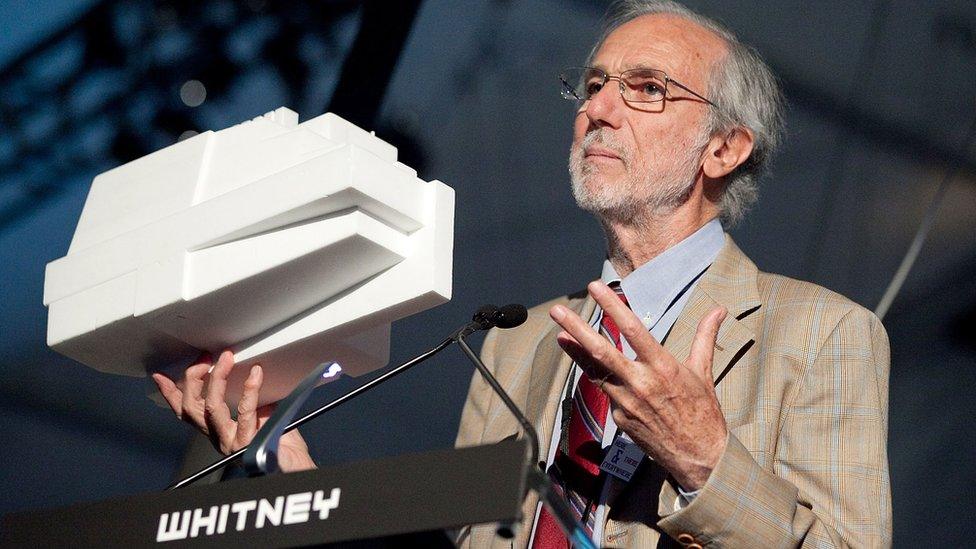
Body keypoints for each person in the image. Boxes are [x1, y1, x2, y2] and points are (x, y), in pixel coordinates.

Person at [155, 1, 891, 547]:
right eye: (595, 84)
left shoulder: (825, 333)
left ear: (725, 148)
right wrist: (295, 477)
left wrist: (707, 462)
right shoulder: (516, 338)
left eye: (645, 88)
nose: (597, 108)